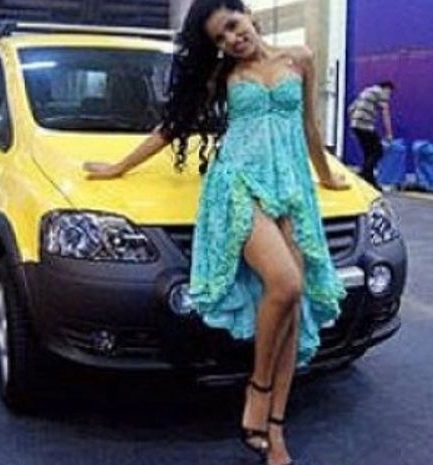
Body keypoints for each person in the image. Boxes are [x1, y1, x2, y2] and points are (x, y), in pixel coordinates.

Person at [84, 1, 348, 464]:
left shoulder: (301, 58)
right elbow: (173, 127)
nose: (231, 40)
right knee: (285, 283)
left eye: (231, 26)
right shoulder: (222, 76)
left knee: (294, 307)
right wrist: (117, 167)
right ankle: (257, 390)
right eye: (220, 39)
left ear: (248, 15)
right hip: (239, 185)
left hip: (292, 187)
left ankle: (276, 431)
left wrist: (326, 176)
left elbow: (309, 128)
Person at [348, 81, 395, 189]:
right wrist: (389, 133)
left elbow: (351, 108)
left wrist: (353, 125)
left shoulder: (365, 91)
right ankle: (364, 174)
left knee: (368, 153)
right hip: (365, 126)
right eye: (389, 93)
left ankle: (369, 179)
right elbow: (385, 113)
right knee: (378, 151)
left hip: (356, 125)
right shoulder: (380, 92)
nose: (389, 96)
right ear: (386, 88)